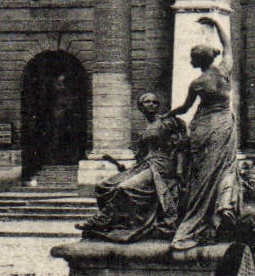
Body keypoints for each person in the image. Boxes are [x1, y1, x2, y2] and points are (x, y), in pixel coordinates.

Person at [78, 92, 183, 243]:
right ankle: (115, 223)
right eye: (147, 102)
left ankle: (102, 219)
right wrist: (126, 169)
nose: (151, 104)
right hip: (144, 165)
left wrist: (179, 169)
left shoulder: (167, 122)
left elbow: (181, 145)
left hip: (161, 166)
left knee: (125, 187)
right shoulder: (144, 131)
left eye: (154, 102)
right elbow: (140, 156)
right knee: (103, 186)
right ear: (141, 107)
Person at [167, 37, 241, 251]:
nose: (190, 60)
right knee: (225, 167)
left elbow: (184, 108)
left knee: (203, 174)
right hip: (224, 125)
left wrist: (169, 114)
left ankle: (192, 225)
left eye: (193, 58)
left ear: (200, 60)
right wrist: (216, 24)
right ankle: (223, 206)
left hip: (205, 128)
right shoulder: (224, 71)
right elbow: (228, 46)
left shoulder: (197, 83)